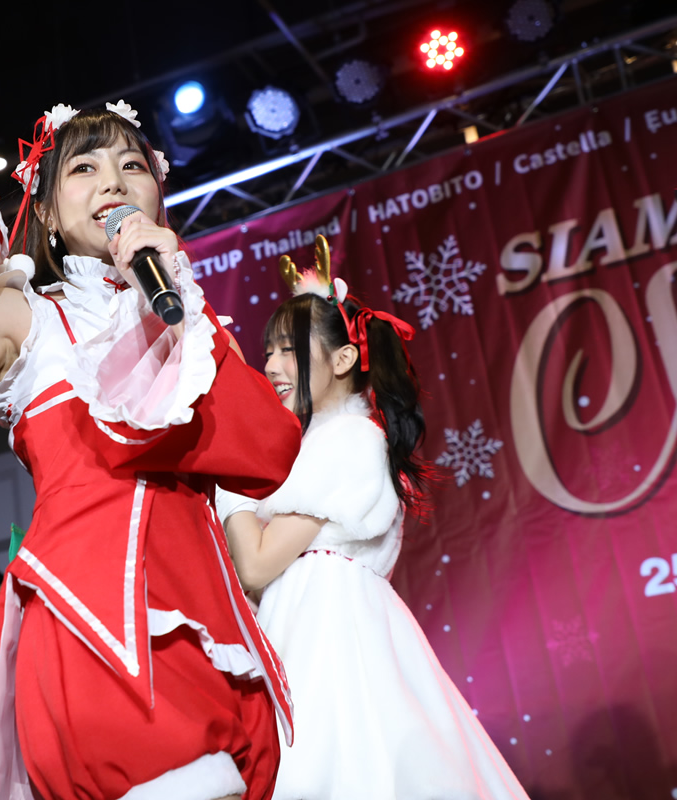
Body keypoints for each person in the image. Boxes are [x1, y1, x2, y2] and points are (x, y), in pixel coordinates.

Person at [0, 101, 304, 800]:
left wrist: (175, 293)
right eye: (84, 167)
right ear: (44, 211)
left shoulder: (182, 313)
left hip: (206, 617)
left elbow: (267, 454)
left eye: (133, 164)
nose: (113, 180)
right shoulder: (21, 314)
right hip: (92, 616)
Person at [217, 240, 530, 800]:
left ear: (342, 360)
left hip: (331, 644)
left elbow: (256, 565)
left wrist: (228, 486)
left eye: (289, 350)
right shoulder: (319, 443)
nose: (270, 366)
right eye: (268, 352)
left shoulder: (348, 439)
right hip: (308, 631)